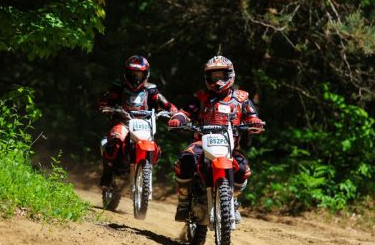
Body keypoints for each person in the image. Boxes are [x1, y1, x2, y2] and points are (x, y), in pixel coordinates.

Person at [167, 55, 264, 223]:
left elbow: (251, 116)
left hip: (230, 147)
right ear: (207, 77)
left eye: (221, 75)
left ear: (230, 75)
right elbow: (186, 112)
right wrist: (178, 119)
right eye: (214, 76)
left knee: (242, 169)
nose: (218, 80)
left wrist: (254, 122)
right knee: (186, 159)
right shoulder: (200, 97)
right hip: (201, 142)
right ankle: (184, 201)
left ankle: (232, 199)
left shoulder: (241, 98)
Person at [98, 55, 177, 204]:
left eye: (139, 73)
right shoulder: (118, 87)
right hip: (123, 122)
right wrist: (106, 106)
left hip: (144, 124)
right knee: (116, 141)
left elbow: (167, 104)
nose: (136, 77)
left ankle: (143, 169)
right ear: (126, 73)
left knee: (156, 149)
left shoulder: (151, 90)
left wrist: (175, 113)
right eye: (133, 73)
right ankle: (107, 175)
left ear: (146, 73)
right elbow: (105, 100)